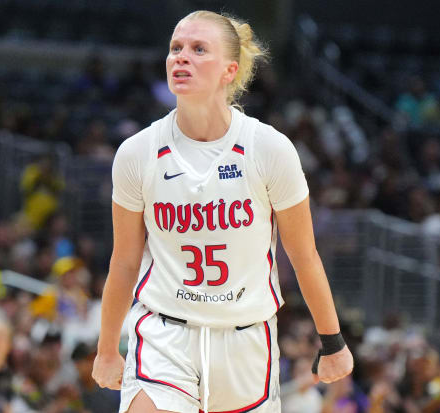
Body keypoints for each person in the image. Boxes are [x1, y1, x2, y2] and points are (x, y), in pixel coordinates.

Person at [92, 10, 353, 413]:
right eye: (175, 48)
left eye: (198, 49)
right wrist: (108, 349)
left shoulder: (269, 149)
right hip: (164, 333)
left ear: (230, 70)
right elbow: (124, 260)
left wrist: (332, 343)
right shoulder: (137, 152)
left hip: (246, 340)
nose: (181, 57)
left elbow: (304, 256)